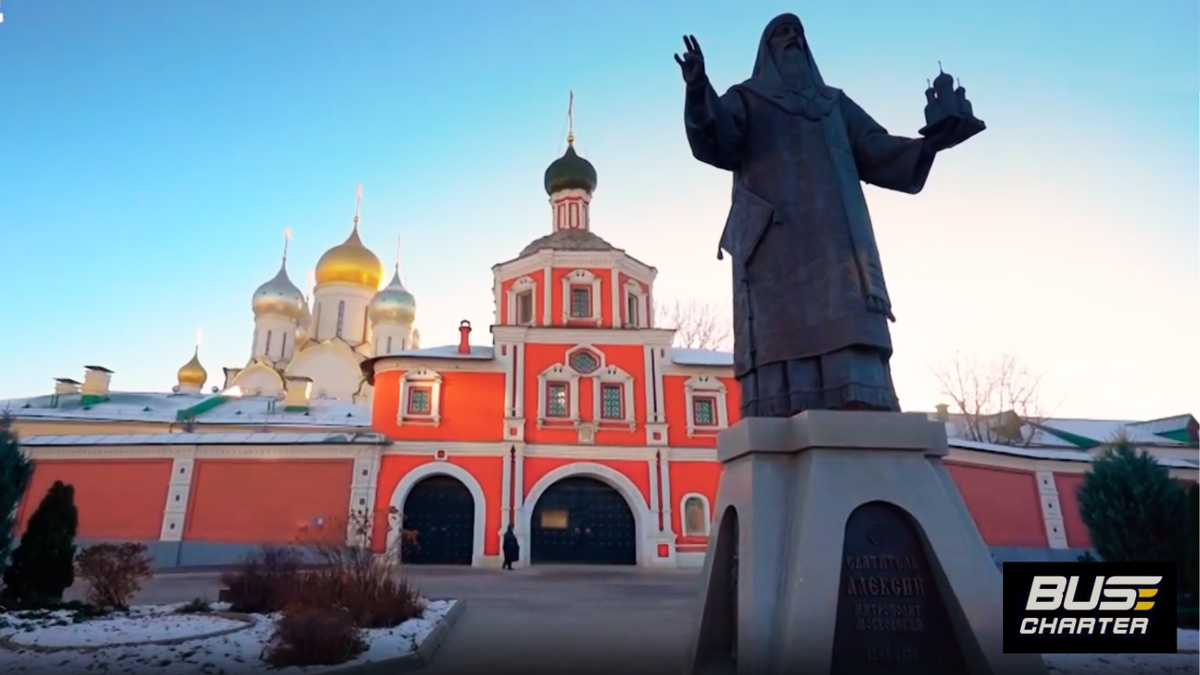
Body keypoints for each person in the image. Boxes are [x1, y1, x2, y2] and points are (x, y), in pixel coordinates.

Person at [675, 14, 981, 417]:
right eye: (781, 34)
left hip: (838, 237)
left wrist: (930, 145)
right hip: (775, 239)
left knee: (847, 305)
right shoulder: (747, 98)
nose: (792, 40)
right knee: (780, 320)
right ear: (766, 52)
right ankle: (786, 400)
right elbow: (716, 138)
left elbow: (875, 148)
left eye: (797, 34)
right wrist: (698, 89)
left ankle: (858, 392)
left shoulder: (834, 104)